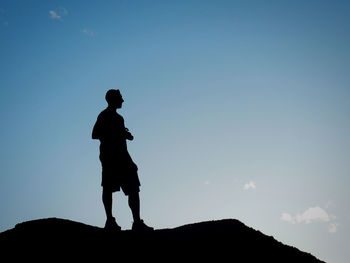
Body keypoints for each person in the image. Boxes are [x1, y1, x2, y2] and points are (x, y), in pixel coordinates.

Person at [92, 89, 153, 231]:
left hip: (123, 157)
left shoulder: (119, 118)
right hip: (110, 157)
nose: (123, 100)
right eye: (120, 98)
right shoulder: (104, 115)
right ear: (113, 99)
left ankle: (137, 222)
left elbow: (116, 135)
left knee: (133, 188)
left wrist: (124, 135)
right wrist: (117, 133)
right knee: (108, 188)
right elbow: (95, 134)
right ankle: (110, 220)